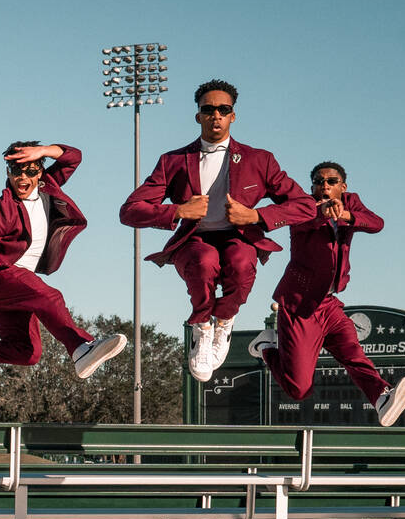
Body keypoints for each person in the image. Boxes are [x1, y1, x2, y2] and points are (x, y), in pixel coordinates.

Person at [120, 79, 315, 382]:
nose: (216, 115)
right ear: (198, 115)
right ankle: (203, 328)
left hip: (239, 236)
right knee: (204, 261)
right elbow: (130, 210)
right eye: (208, 109)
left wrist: (255, 215)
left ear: (233, 115)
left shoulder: (259, 159)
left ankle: (224, 321)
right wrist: (178, 211)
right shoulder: (172, 161)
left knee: (240, 263)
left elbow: (305, 205)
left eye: (223, 109)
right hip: (194, 239)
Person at [248, 161, 405, 426]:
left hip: (328, 303)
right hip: (299, 304)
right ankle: (267, 346)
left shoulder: (352, 202)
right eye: (318, 181)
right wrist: (323, 213)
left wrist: (346, 216)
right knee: (299, 389)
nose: (324, 186)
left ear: (343, 186)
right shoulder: (303, 205)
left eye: (331, 181)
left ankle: (381, 397)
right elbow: (299, 222)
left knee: (352, 353)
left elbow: (377, 223)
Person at [0, 141, 126, 376]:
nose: (23, 178)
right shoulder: (3, 208)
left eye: (31, 171)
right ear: (8, 172)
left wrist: (43, 151)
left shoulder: (48, 186)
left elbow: (74, 157)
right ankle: (80, 347)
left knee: (28, 352)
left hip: (17, 290)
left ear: (40, 172)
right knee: (50, 297)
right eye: (16, 171)